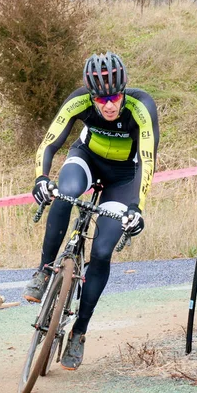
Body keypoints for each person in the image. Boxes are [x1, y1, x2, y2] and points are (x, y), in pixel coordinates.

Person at [24, 51, 159, 370]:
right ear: (92, 96)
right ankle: (44, 270)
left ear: (123, 91)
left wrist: (136, 208)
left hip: (122, 178)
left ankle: (78, 333)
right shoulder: (78, 101)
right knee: (65, 193)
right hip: (86, 159)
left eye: (114, 97)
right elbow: (49, 142)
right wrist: (41, 178)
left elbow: (149, 159)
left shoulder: (142, 107)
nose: (109, 105)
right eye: (101, 99)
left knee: (101, 252)